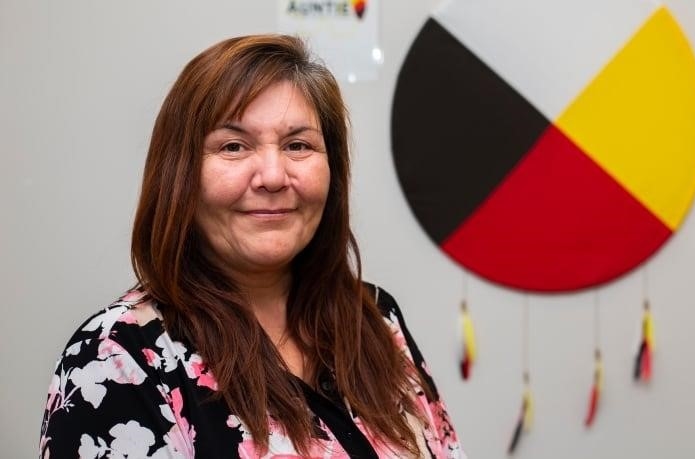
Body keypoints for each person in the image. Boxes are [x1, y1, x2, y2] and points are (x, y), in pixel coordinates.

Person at [39, 35, 465, 458]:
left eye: (298, 145)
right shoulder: (119, 359)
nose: (273, 176)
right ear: (181, 176)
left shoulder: (374, 318)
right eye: (233, 146)